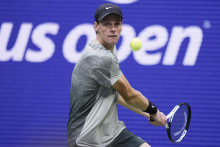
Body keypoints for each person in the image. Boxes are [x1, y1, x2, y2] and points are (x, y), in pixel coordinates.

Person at [67, 3, 167, 147]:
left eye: (117, 24)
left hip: (113, 133)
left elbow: (117, 94)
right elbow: (129, 94)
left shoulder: (109, 50)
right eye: (107, 24)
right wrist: (153, 110)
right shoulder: (100, 57)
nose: (113, 29)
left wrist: (148, 114)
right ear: (96, 27)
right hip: (86, 139)